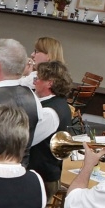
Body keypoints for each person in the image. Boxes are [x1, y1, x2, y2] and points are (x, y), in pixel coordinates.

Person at [27, 60, 73, 200]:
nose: (34, 82)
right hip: (40, 175)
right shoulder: (57, 103)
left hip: (42, 177)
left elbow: (27, 140)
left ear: (49, 83)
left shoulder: (50, 113)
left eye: (38, 78)